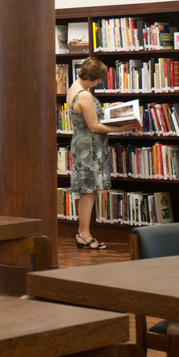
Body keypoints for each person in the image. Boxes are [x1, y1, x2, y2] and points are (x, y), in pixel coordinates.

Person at [66, 57, 139, 250]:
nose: (99, 83)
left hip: (81, 143)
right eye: (98, 79)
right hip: (89, 147)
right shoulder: (85, 95)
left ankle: (83, 232)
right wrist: (121, 128)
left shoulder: (74, 88)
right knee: (89, 191)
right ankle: (84, 234)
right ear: (90, 77)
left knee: (86, 191)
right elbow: (95, 126)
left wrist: (111, 109)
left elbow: (89, 116)